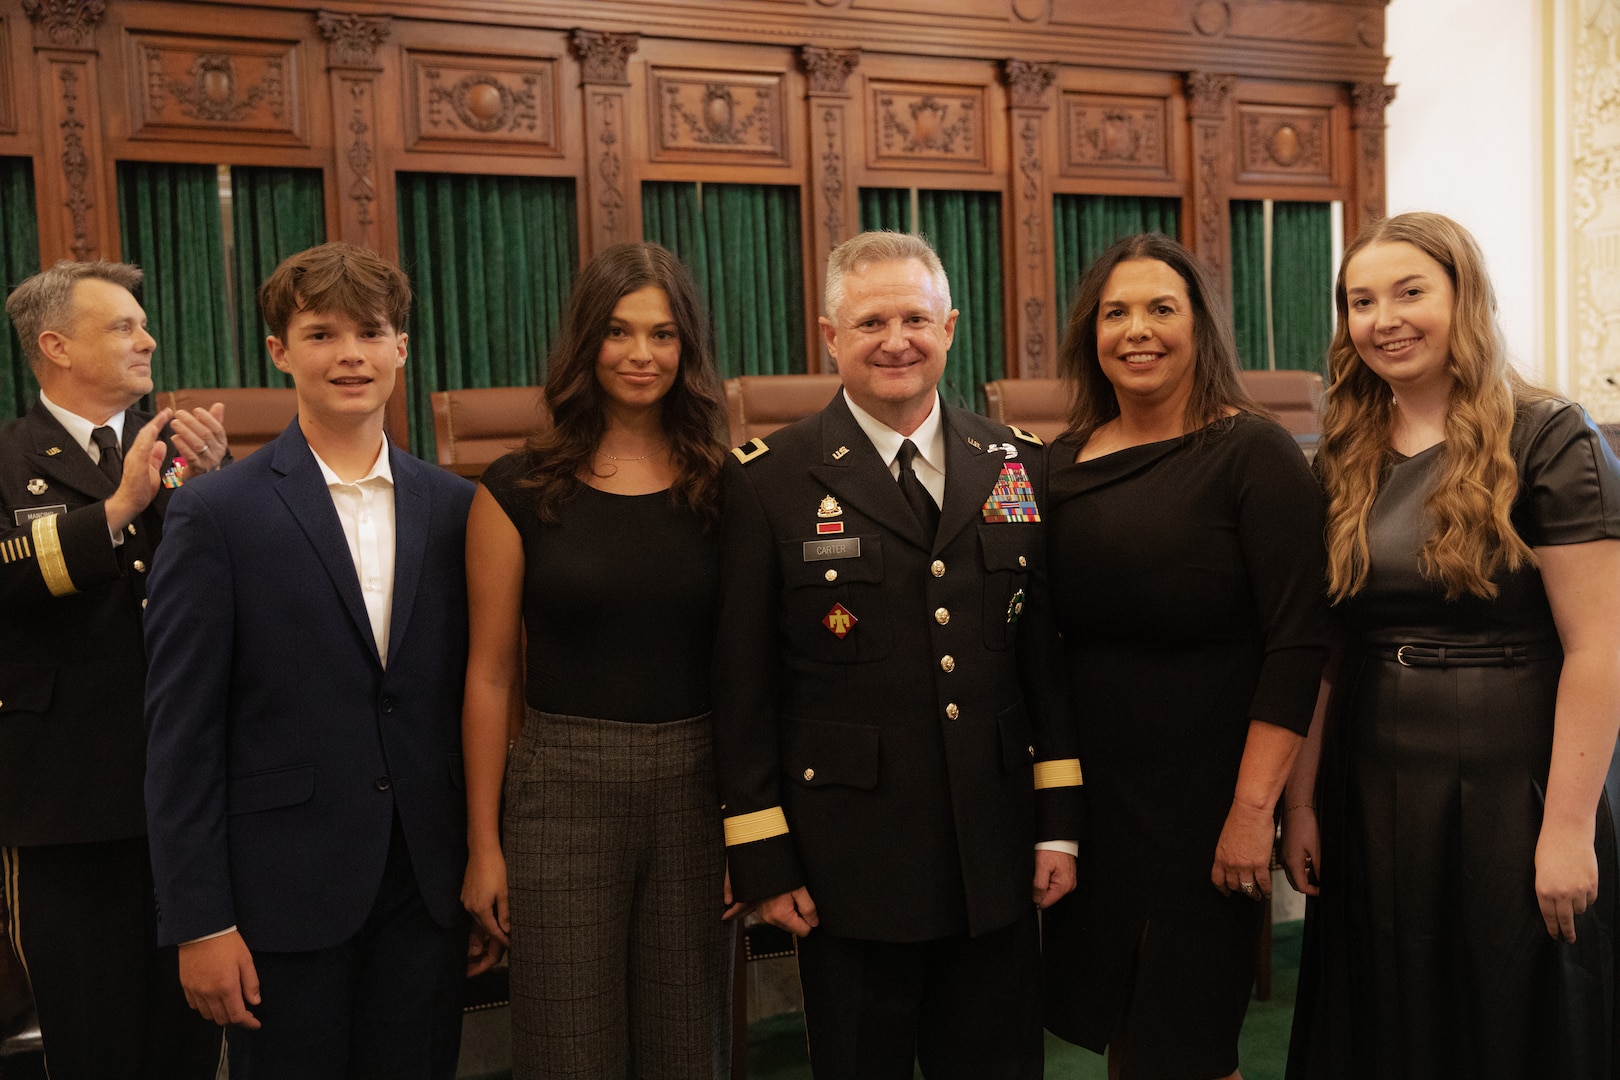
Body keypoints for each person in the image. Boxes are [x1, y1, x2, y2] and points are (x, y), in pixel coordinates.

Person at [713, 230, 1084, 1079]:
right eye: (870, 320)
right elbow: (743, 686)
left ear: (950, 328)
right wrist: (764, 856)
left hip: (992, 855)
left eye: (916, 317)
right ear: (829, 336)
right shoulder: (769, 479)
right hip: (850, 863)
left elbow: (1044, 665)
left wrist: (1058, 824)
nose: (896, 340)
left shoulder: (1016, 463)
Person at [1281, 212, 1620, 1079]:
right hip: (1374, 771)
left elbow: (1600, 646)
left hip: (1518, 775)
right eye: (1361, 301)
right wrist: (1305, 800)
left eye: (1409, 292)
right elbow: (1328, 648)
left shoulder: (1551, 435)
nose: (1383, 318)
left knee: (1510, 1011)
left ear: (1463, 297)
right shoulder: (1344, 454)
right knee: (1388, 1009)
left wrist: (1568, 828)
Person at [143, 242, 477, 1079]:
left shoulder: (458, 506)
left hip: (424, 891)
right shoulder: (216, 513)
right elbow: (180, 735)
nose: (350, 355)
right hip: (275, 903)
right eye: (322, 334)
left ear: (403, 346)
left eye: (371, 332)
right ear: (279, 353)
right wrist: (199, 921)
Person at [1039, 233, 1331, 1080]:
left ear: (1199, 326)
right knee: (1133, 1030)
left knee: (1190, 1047)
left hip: (1208, 800)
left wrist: (1253, 812)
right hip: (1098, 801)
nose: (1138, 330)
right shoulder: (1058, 464)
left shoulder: (1253, 453)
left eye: (1162, 309)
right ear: (1090, 333)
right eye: (1115, 312)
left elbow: (1298, 642)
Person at [459, 242, 733, 1077]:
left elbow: (748, 666)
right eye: (618, 332)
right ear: (586, 344)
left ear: (687, 348)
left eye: (661, 334)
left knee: (688, 1045)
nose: (641, 354)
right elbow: (490, 675)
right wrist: (484, 844)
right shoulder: (517, 487)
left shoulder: (725, 485)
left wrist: (747, 829)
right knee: (567, 1045)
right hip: (560, 791)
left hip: (698, 785)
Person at [0, 259, 228, 1079]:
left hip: (187, 797)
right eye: (124, 325)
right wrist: (120, 508)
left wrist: (217, 492)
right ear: (55, 346)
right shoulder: (7, 458)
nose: (149, 339)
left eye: (143, 322)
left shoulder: (177, 453)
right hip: (66, 804)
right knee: (94, 1043)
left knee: (188, 1044)